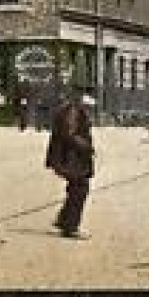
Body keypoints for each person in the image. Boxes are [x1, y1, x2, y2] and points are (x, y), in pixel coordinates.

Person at [44, 90, 97, 239]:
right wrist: (86, 146)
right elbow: (69, 134)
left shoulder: (71, 109)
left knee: (76, 187)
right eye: (89, 106)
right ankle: (71, 226)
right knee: (80, 188)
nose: (90, 110)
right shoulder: (73, 111)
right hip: (69, 158)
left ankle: (64, 220)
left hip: (67, 157)